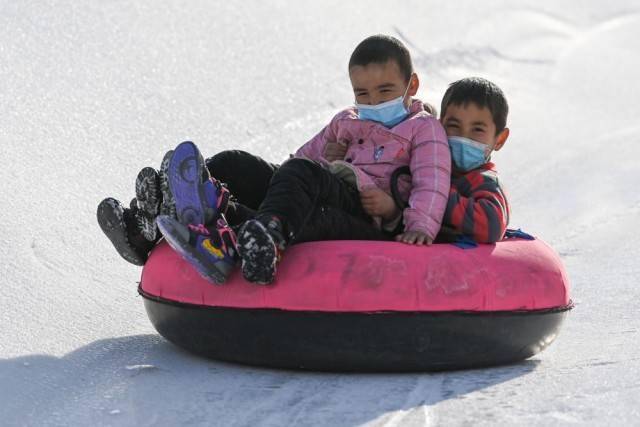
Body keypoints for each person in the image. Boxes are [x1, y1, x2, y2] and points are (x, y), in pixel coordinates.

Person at [155, 34, 451, 284]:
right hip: (326, 186)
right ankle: (163, 212)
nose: (373, 102)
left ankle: (263, 242)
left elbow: (432, 179)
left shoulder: (424, 129)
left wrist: (416, 224)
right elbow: (302, 158)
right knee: (235, 163)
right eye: (363, 93)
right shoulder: (346, 120)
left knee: (304, 188)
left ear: (411, 85)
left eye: (384, 91)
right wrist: (281, 178)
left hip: (366, 215)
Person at [379, 77, 511, 244]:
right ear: (440, 126)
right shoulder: (426, 163)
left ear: (499, 139)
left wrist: (435, 192)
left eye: (477, 129)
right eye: (453, 126)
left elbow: (492, 226)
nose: (463, 136)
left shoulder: (485, 182)